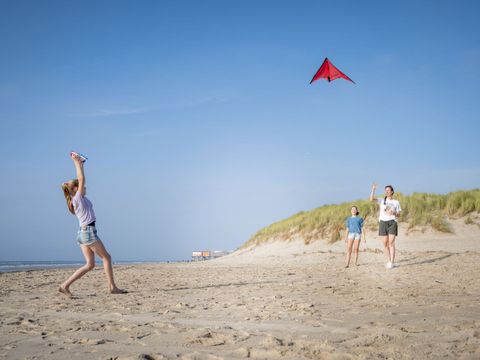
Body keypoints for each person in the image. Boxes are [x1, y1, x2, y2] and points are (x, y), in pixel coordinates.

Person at [59, 153, 125, 296]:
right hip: (88, 232)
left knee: (90, 264)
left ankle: (65, 285)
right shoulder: (77, 198)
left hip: (81, 234)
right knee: (106, 257)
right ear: (76, 189)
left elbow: (80, 181)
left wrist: (81, 164)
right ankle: (112, 287)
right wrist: (76, 162)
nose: (85, 187)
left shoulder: (76, 200)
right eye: (82, 186)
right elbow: (81, 178)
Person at [370, 183, 401, 269]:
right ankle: (388, 260)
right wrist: (373, 189)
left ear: (392, 192)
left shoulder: (396, 202)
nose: (387, 192)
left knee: (391, 243)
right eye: (386, 190)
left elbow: (399, 214)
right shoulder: (381, 200)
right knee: (385, 243)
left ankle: (392, 262)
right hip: (383, 222)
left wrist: (394, 212)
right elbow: (371, 199)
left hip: (392, 222)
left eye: (388, 190)